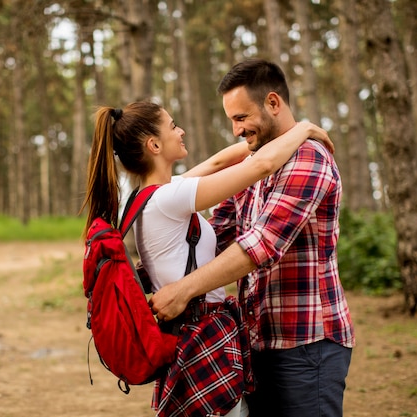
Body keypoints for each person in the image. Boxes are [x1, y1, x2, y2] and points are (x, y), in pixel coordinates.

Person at [82, 100, 333, 417]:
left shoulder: (147, 197)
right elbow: (260, 167)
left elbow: (217, 163)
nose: (181, 131)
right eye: (173, 126)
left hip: (188, 332)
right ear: (154, 145)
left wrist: (264, 139)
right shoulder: (170, 198)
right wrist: (304, 129)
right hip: (200, 335)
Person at [149, 58, 355, 417]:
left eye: (241, 118)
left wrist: (182, 291)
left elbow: (260, 245)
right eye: (232, 120)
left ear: (273, 103)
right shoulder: (256, 166)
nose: (235, 130)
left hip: (306, 344)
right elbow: (219, 235)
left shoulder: (309, 158)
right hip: (256, 343)